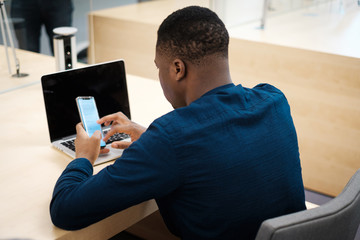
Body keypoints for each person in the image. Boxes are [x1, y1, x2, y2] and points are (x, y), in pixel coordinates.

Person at [50, 6, 306, 240]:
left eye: (158, 69)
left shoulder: (171, 139)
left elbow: (66, 210)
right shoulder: (274, 100)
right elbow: (217, 145)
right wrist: (151, 139)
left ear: (177, 69)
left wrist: (83, 157)